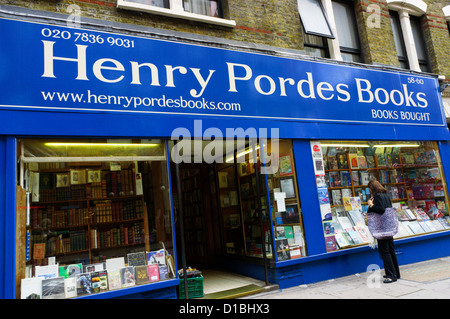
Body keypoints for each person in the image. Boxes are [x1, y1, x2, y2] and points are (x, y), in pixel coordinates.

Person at [367, 180, 400, 283]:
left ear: (372, 188)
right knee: (391, 250)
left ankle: (391, 275)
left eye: (370, 189)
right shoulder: (385, 195)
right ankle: (396, 273)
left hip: (382, 229)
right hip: (389, 226)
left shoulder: (377, 197)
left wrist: (371, 205)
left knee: (384, 251)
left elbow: (380, 209)